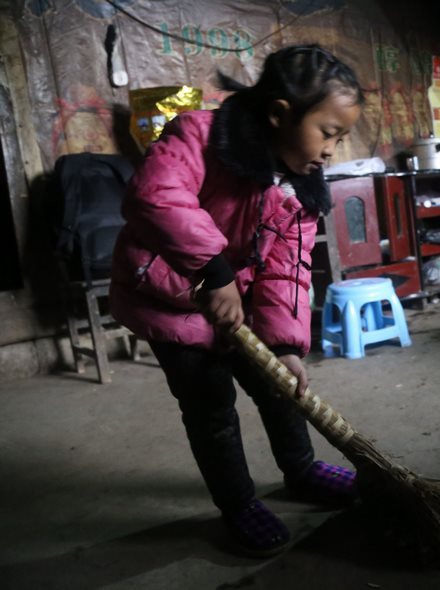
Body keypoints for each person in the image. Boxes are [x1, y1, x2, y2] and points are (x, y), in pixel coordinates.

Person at [109, 44, 364, 558]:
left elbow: (287, 270)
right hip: (170, 299)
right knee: (211, 410)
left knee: (279, 386)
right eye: (328, 132)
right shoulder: (198, 135)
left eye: (340, 137)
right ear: (279, 116)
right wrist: (214, 271)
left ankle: (301, 470)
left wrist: (286, 344)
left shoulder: (299, 185)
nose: (331, 149)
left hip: (238, 304)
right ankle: (239, 503)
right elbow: (155, 197)